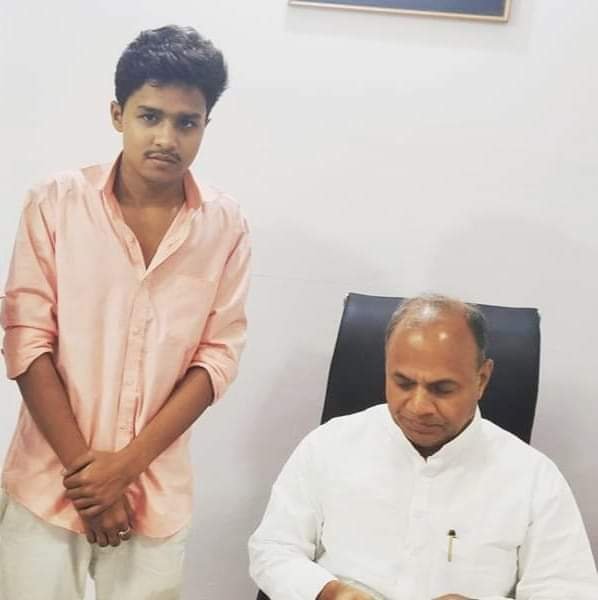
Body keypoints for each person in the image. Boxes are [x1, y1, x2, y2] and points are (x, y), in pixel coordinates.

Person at [0, 25, 250, 600]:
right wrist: (90, 478)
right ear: (118, 115)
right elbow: (26, 340)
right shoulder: (55, 203)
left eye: (186, 123)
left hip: (155, 487)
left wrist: (126, 468)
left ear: (206, 126)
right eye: (149, 116)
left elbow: (217, 357)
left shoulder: (225, 225)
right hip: (47, 479)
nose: (166, 138)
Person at [249, 295, 598, 600]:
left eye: (442, 389)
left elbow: (570, 592)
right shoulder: (329, 445)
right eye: (402, 383)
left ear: (481, 379)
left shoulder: (534, 478)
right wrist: (328, 591)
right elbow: (273, 548)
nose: (418, 407)